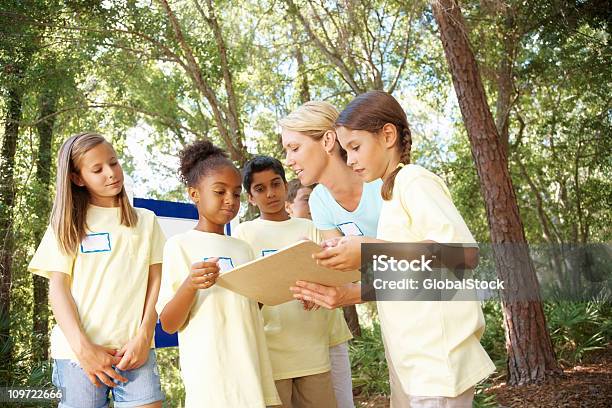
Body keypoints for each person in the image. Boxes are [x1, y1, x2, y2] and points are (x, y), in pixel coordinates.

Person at [290, 91, 496, 407]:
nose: (352, 158)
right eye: (348, 150)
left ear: (387, 135)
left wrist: (369, 250)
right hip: (413, 358)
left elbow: (463, 255)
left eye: (356, 148)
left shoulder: (413, 181)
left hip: (436, 360)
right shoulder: (392, 193)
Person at [28, 132, 165, 408]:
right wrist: (84, 349)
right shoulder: (66, 224)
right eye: (97, 169)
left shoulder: (146, 221)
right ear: (78, 178)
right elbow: (59, 289)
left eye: (113, 163)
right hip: (78, 357)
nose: (111, 173)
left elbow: (156, 281)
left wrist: (144, 336)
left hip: (135, 352)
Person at [156, 141, 280, 407]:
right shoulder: (179, 245)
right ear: (194, 194)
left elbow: (249, 309)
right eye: (219, 191)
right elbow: (168, 324)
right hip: (211, 378)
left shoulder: (243, 248)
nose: (229, 200)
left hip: (251, 369)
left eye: (236, 194)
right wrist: (191, 284)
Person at [280, 101, 385, 408]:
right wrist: (316, 278)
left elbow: (443, 262)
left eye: (295, 148)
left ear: (327, 141)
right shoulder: (321, 202)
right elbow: (347, 270)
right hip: (396, 317)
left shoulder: (382, 182)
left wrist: (362, 254)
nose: (288, 160)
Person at [233, 155, 336, 408]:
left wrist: (318, 292)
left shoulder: (310, 227)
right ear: (249, 196)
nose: (270, 193)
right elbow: (243, 292)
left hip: (312, 349)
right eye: (260, 188)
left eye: (275, 184)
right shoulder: (243, 234)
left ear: (284, 185)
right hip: (269, 356)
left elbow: (330, 277)